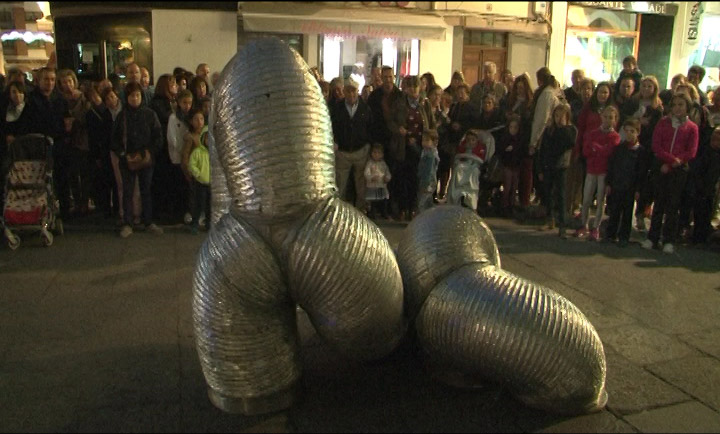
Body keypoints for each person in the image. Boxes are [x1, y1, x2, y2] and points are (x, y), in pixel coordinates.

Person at [641, 93, 699, 254]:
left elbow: (691, 151)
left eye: (681, 104)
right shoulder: (663, 123)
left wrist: (676, 162)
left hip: (679, 169)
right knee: (658, 203)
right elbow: (656, 145)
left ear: (687, 107)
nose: (678, 108)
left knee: (673, 206)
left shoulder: (692, 127)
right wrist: (668, 160)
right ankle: (652, 237)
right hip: (661, 166)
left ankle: (668, 239)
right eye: (675, 105)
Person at [110, 82, 164, 238]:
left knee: (146, 190)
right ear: (127, 98)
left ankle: (148, 221)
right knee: (127, 191)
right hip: (127, 159)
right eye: (132, 95)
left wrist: (149, 152)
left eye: (138, 95)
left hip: (146, 158)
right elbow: (114, 140)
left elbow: (158, 137)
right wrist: (122, 154)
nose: (135, 98)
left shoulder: (149, 114)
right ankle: (128, 222)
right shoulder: (122, 116)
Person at [386, 75, 437, 221]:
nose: (413, 91)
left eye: (416, 87)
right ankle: (403, 208)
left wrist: (429, 138)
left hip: (421, 147)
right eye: (410, 87)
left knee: (418, 178)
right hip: (404, 147)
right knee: (403, 178)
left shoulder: (424, 103)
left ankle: (414, 208)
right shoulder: (400, 103)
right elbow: (391, 122)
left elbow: (431, 124)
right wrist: (399, 129)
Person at [576, 105, 621, 240]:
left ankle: (596, 227)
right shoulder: (593, 133)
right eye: (605, 117)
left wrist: (596, 148)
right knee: (586, 199)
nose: (607, 120)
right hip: (591, 170)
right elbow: (586, 151)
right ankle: (584, 225)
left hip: (603, 172)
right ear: (601, 117)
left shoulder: (615, 136)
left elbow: (609, 152)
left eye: (611, 118)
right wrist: (599, 149)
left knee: (601, 200)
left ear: (615, 120)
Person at [330, 78, 372, 212]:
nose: (351, 94)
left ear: (357, 91)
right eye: (348, 91)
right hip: (343, 152)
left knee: (361, 184)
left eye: (353, 91)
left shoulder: (365, 108)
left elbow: (370, 127)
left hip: (360, 151)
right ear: (344, 92)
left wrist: (368, 145)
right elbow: (332, 127)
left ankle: (361, 210)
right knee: (340, 184)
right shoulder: (337, 108)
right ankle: (340, 211)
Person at [537, 104, 577, 238]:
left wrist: (563, 127)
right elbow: (543, 149)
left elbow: (567, 143)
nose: (559, 119)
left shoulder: (570, 130)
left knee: (561, 195)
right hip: (548, 165)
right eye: (557, 116)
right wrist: (541, 168)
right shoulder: (549, 131)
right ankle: (550, 219)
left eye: (562, 116)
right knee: (547, 193)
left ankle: (562, 225)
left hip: (561, 167)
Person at [604, 117, 643, 247]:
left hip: (630, 187)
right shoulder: (619, 148)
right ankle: (610, 234)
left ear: (637, 132)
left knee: (627, 213)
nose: (629, 134)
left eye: (632, 131)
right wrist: (609, 183)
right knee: (614, 211)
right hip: (617, 184)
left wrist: (638, 189)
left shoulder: (640, 152)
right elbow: (612, 166)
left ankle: (624, 236)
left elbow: (641, 173)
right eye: (627, 131)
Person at [634, 75, 665, 232]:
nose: (646, 89)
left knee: (644, 182)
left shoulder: (657, 108)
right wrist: (638, 122)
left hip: (647, 147)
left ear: (654, 89)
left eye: (649, 87)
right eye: (644, 86)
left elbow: (656, 129)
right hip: (632, 144)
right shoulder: (634, 102)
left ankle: (640, 213)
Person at [688, 127, 720, 245]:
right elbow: (698, 171)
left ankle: (703, 237)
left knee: (707, 213)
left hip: (712, 189)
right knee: (700, 213)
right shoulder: (705, 152)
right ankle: (697, 238)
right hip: (701, 188)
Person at [167, 89, 193, 223]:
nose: (187, 106)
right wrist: (181, 151)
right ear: (179, 103)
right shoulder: (173, 118)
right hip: (177, 157)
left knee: (189, 186)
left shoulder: (192, 117)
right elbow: (172, 139)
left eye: (189, 103)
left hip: (190, 157)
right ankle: (178, 212)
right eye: (184, 103)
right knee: (179, 186)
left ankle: (188, 212)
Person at [497, 114, 527, 217]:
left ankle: (512, 205)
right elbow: (500, 151)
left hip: (516, 165)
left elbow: (522, 152)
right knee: (507, 186)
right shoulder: (505, 138)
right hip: (507, 165)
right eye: (511, 127)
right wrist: (506, 150)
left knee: (514, 187)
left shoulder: (520, 140)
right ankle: (505, 206)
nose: (513, 130)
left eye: (515, 127)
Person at [187, 110, 210, 235]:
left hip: (210, 183)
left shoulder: (214, 154)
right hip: (200, 182)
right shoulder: (198, 152)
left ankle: (209, 223)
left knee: (209, 206)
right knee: (198, 204)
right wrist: (197, 174)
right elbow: (192, 164)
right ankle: (194, 223)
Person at [364, 143, 391, 220]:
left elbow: (387, 172)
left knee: (383, 200)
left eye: (379, 153)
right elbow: (366, 173)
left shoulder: (383, 164)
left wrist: (387, 178)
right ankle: (372, 213)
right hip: (372, 186)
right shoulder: (369, 163)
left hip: (381, 185)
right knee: (372, 201)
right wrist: (371, 178)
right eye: (374, 152)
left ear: (382, 154)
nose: (376, 155)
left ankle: (383, 213)